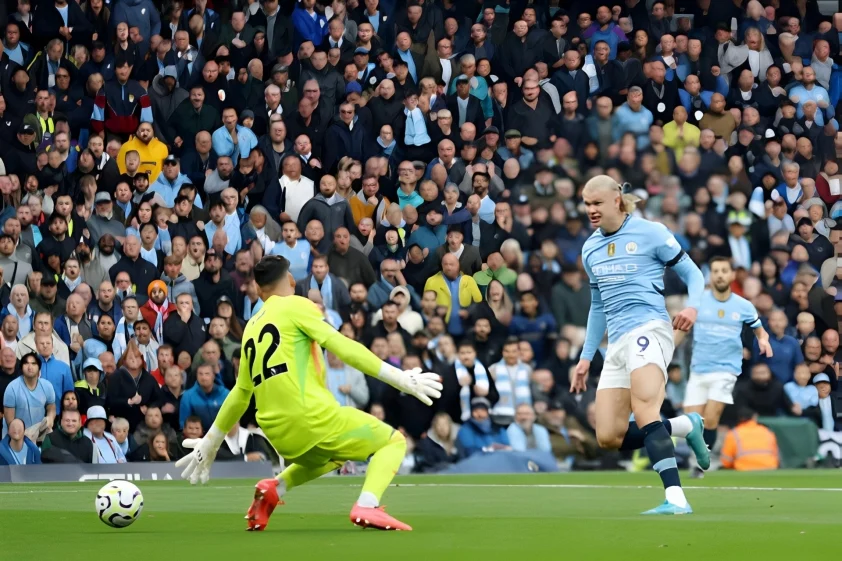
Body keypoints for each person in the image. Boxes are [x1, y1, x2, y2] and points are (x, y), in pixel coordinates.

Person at [175, 255, 442, 532]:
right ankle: (367, 504)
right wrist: (400, 378)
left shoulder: (251, 327)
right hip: (313, 419)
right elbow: (342, 345)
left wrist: (211, 440)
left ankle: (274, 488)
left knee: (335, 454)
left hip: (278, 435)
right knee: (393, 442)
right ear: (290, 280)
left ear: (259, 289)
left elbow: (241, 393)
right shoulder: (296, 305)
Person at [571, 175, 708, 515]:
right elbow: (598, 306)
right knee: (608, 435)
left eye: (597, 203)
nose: (591, 210)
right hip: (616, 343)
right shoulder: (590, 248)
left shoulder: (652, 232)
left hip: (650, 329)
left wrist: (692, 306)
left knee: (646, 411)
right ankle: (686, 426)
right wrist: (586, 357)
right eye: (587, 204)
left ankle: (676, 499)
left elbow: (693, 274)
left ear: (617, 200)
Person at [674, 257, 773, 477]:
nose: (720, 274)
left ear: (731, 275)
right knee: (691, 422)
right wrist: (665, 351)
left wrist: (763, 340)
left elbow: (759, 329)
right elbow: (681, 331)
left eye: (724, 271)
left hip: (725, 370)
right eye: (716, 271)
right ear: (711, 276)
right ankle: (699, 458)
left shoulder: (743, 305)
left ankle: (701, 465)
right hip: (699, 369)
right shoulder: (697, 302)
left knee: (711, 417)